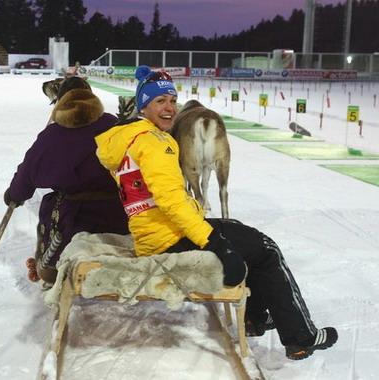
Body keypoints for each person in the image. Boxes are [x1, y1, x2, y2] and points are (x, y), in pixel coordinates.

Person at [94, 65, 338, 360]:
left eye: (172, 100)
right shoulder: (155, 143)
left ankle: (257, 318)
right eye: (160, 102)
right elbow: (172, 202)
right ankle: (301, 337)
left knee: (241, 232)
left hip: (152, 235)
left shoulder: (127, 140)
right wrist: (214, 243)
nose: (170, 108)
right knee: (265, 249)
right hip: (170, 237)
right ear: (144, 105)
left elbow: (148, 196)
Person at [4, 76, 129, 284]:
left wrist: (14, 195)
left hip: (73, 218)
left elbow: (27, 172)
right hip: (118, 214)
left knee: (51, 210)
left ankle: (48, 266)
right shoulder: (115, 125)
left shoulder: (51, 135)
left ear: (61, 102)